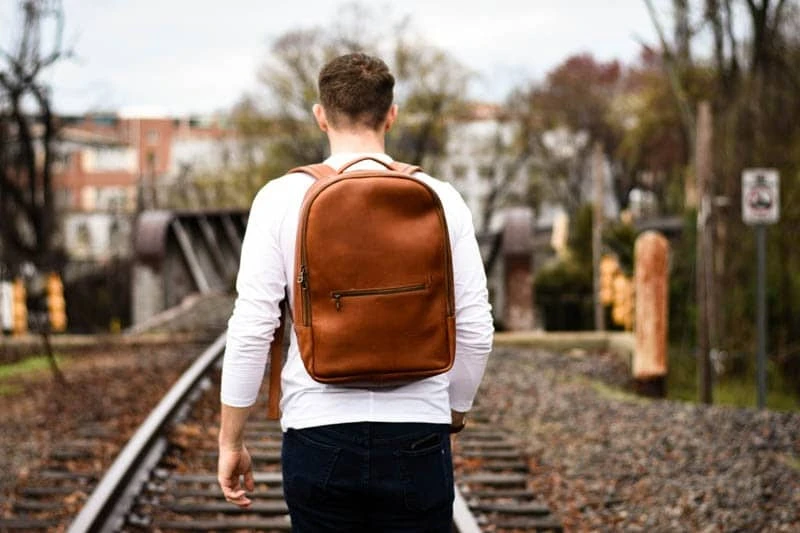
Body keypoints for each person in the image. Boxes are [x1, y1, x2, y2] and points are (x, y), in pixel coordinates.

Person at [218, 52, 493, 532]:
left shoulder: (279, 199)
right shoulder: (443, 198)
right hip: (417, 436)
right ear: (392, 114)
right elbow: (475, 328)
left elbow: (251, 328)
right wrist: (449, 412)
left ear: (320, 115)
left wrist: (230, 441)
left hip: (318, 435)